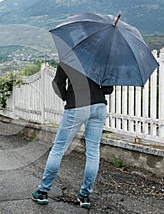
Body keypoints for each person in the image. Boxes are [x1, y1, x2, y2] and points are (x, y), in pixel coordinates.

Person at [32, 62, 113, 209]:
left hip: (77, 105)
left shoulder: (69, 56)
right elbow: (109, 89)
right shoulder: (101, 58)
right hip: (99, 106)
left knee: (58, 148)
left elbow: (58, 83)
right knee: (93, 151)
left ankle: (43, 191)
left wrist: (67, 97)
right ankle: (85, 196)